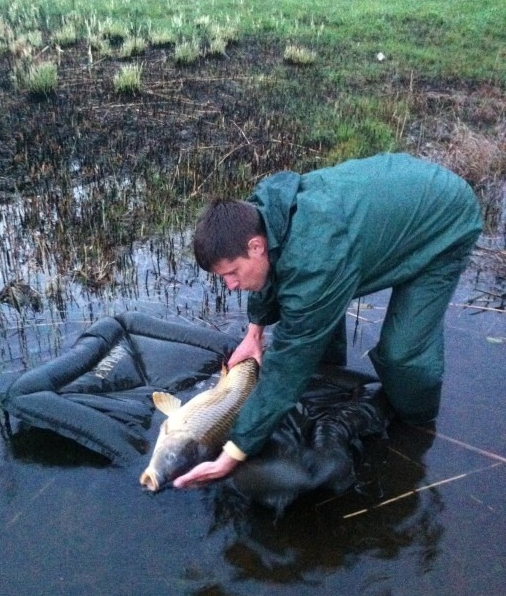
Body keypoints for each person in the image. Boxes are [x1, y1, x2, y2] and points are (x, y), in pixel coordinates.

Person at [173, 153, 482, 489]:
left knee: (403, 354)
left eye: (232, 273)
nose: (231, 285)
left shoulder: (316, 261)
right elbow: (272, 275)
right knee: (317, 299)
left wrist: (236, 449)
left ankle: (418, 425)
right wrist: (255, 332)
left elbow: (290, 362)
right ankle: (332, 382)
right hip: (392, 203)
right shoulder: (260, 215)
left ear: (256, 246)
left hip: (445, 220)